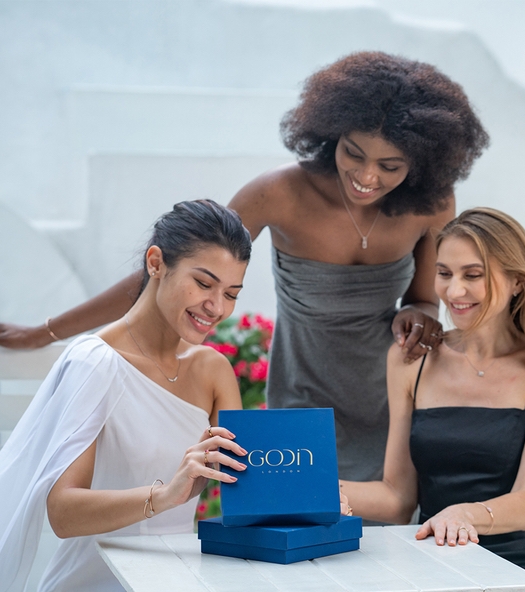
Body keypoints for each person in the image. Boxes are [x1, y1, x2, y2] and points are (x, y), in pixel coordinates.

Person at [0, 52, 490, 482]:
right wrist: (43, 333)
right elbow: (166, 271)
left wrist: (421, 312)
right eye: (353, 153)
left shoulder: (432, 204)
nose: (366, 176)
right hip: (302, 396)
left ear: (421, 163)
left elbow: (423, 298)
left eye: (390, 166)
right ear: (330, 132)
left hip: (391, 399)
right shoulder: (278, 193)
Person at [0, 200, 253, 592]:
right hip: (95, 582)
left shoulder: (213, 370)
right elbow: (63, 513)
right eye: (203, 284)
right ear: (156, 263)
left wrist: (315, 503)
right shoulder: (95, 364)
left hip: (179, 580)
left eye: (231, 292)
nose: (216, 307)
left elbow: (248, 494)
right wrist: (166, 494)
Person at [340, 207, 525, 591]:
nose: (454, 291)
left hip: (519, 566)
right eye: (444, 273)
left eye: (472, 275)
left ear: (517, 283)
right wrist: (315, 488)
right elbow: (397, 498)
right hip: (434, 560)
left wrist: (464, 514)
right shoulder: (411, 360)